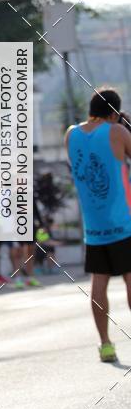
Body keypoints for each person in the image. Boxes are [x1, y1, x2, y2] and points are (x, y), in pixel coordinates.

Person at [65, 87, 131, 363]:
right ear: (114, 113)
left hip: (94, 227)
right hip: (123, 222)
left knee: (98, 284)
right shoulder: (117, 132)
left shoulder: (71, 134)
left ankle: (105, 344)